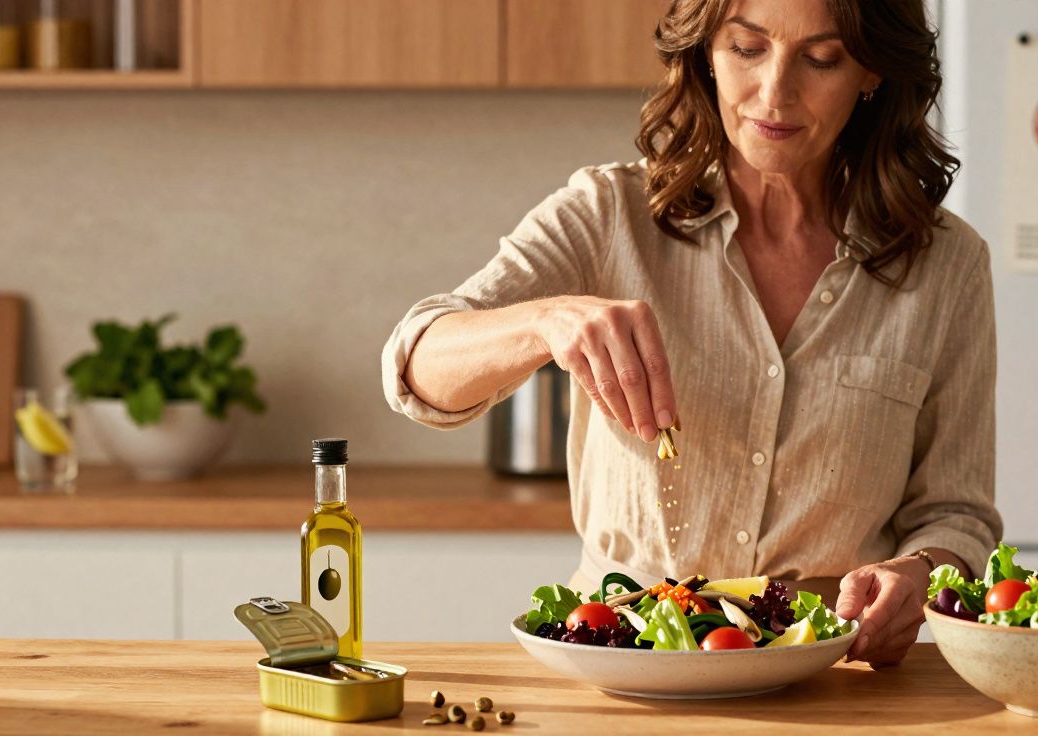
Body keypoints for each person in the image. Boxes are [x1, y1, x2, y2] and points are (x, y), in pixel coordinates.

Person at [382, 0, 1001, 667]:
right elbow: (416, 366)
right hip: (619, 657)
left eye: (820, 59)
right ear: (705, 53)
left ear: (871, 72)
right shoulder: (608, 215)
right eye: (746, 49)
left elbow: (956, 514)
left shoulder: (945, 265)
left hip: (830, 670)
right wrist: (546, 320)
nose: (774, 92)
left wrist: (916, 573)